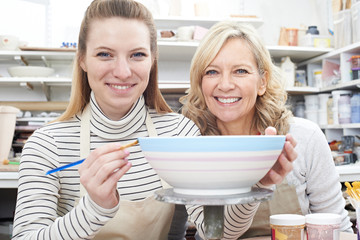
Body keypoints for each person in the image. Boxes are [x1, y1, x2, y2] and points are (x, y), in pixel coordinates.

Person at [11, 1, 295, 240]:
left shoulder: (179, 134)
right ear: (82, 59)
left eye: (137, 55)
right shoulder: (46, 145)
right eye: (104, 54)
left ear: (152, 60)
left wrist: (258, 185)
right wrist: (94, 209)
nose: (122, 72)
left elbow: (214, 232)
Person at [180, 21, 353, 238]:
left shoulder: (305, 137)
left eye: (240, 71)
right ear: (200, 82)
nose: (225, 85)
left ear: (262, 82)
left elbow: (337, 228)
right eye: (212, 72)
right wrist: (259, 184)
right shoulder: (191, 145)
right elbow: (215, 235)